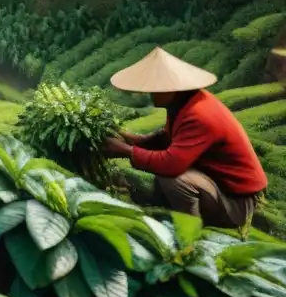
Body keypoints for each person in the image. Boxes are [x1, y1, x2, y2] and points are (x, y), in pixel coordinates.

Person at [103, 46, 267, 228]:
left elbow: (171, 164)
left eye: (156, 89)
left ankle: (190, 233)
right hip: (218, 186)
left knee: (173, 179)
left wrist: (126, 151)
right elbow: (170, 138)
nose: (151, 94)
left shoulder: (199, 115)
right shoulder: (184, 103)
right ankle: (167, 214)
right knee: (165, 176)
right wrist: (130, 138)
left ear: (172, 88)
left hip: (237, 203)